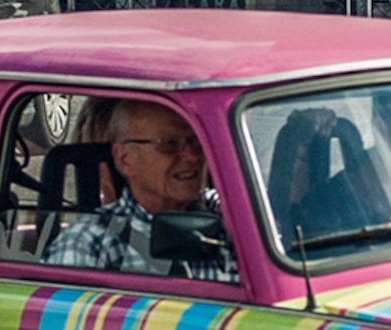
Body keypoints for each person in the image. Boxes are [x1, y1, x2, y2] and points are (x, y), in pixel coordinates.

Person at [44, 98, 242, 282]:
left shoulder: (233, 220)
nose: (191, 156)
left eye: (195, 141)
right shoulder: (89, 241)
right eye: (169, 145)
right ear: (125, 159)